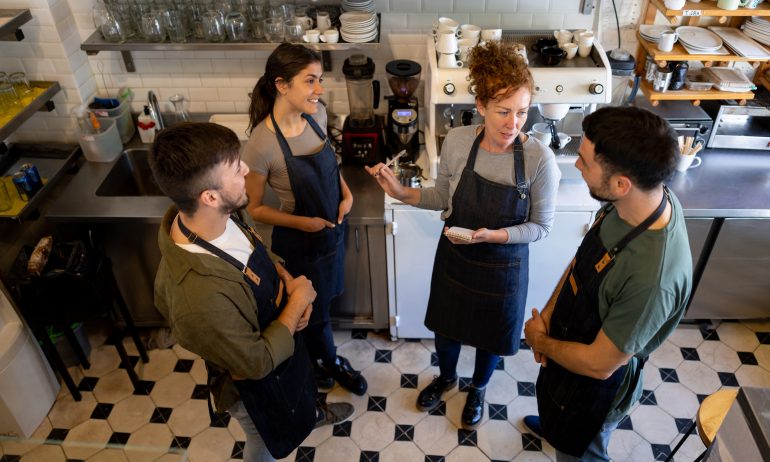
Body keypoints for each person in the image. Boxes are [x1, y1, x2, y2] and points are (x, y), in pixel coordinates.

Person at [366, 41, 561, 429]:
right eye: (503, 111)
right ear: (481, 105)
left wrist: (496, 236)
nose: (513, 123)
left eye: (522, 112)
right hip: (456, 259)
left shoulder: (540, 159)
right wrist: (401, 193)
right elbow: (442, 198)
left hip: (504, 269)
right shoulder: (457, 141)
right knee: (446, 328)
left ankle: (479, 387)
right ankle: (447, 377)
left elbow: (541, 227)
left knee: (490, 338)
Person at [150, 122, 354, 462]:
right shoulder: (198, 299)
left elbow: (256, 251)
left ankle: (310, 414)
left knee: (299, 402)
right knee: (264, 444)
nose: (246, 169)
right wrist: (297, 303)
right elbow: (256, 363)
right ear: (209, 196)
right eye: (235, 168)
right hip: (255, 389)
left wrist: (286, 280)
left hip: (282, 349)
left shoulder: (221, 212)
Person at [522, 106, 693, 461]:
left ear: (620, 184)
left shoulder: (652, 278)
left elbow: (599, 365)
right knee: (558, 424)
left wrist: (541, 342)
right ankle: (555, 428)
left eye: (584, 161)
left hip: (595, 392)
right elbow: (581, 262)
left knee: (581, 452)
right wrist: (548, 318)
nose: (577, 165)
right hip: (569, 351)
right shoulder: (634, 201)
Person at [241, 43, 367, 396]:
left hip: (331, 233)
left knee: (324, 303)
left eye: (319, 80)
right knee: (310, 309)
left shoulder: (317, 116)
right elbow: (254, 209)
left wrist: (346, 194)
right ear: (282, 85)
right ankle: (324, 362)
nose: (319, 90)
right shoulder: (261, 145)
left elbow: (332, 165)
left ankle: (322, 360)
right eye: (310, 81)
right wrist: (304, 224)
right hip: (299, 245)